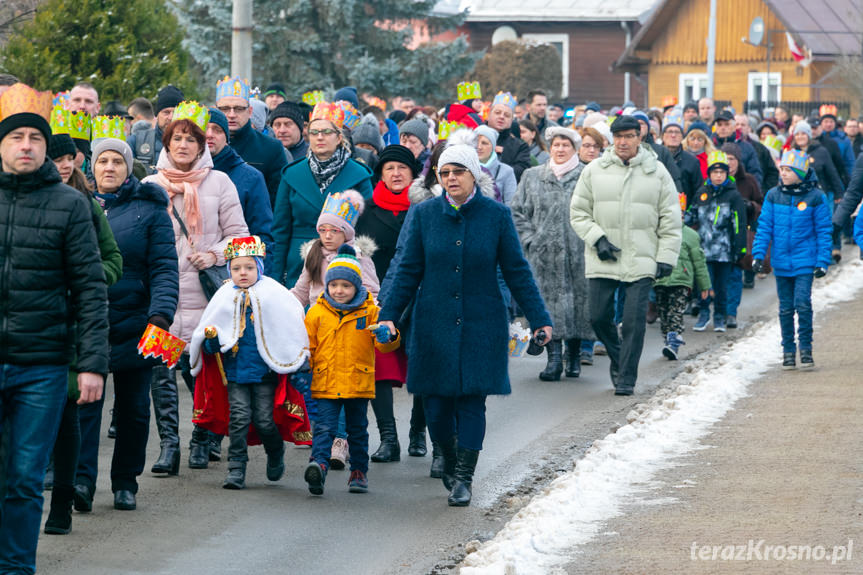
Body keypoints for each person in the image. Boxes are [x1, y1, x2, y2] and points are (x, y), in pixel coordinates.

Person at [378, 142, 552, 506]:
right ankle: (450, 457)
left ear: (474, 175)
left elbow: (517, 270)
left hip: (481, 322)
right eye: (445, 173)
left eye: (458, 172)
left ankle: (464, 478)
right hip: (432, 322)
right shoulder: (424, 215)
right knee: (437, 406)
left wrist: (539, 318)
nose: (451, 178)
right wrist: (389, 316)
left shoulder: (496, 216)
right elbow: (408, 270)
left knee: (472, 402)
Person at [0, 83, 108, 574]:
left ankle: (17, 568)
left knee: (24, 478)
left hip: (42, 366)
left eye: (35, 138)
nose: (26, 145)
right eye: (17, 137)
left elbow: (90, 288)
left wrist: (91, 366)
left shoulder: (69, 205)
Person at [142, 102, 249, 472]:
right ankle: (169, 446)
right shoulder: (150, 186)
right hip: (162, 294)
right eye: (177, 138)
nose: (183, 145)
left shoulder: (220, 182)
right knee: (161, 371)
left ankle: (203, 438)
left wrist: (215, 254)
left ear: (203, 144)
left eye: (191, 138)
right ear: (166, 143)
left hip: (206, 294)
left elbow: (242, 238)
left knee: (202, 371)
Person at [74, 138, 179, 513]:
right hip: (89, 323)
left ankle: (125, 482)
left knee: (134, 408)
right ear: (92, 167)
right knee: (85, 404)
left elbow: (165, 268)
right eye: (102, 160)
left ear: (128, 167)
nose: (109, 168)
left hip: (138, 320)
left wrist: (160, 316)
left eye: (117, 161)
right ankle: (82, 480)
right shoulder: (77, 205)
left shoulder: (150, 211)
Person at [42, 131, 123, 533]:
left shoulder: (84, 206)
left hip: (71, 323)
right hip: (24, 326)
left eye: (65, 157)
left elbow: (111, 261)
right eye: (51, 157)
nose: (59, 164)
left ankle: (63, 498)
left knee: (66, 414)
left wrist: (85, 281)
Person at [570, 115, 682, 396]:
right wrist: (598, 239)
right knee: (598, 317)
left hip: (642, 257)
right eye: (618, 136)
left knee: (633, 321)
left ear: (639, 138)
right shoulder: (594, 170)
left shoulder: (657, 172)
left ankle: (626, 376)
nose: (623, 142)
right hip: (603, 256)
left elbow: (670, 218)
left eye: (629, 136)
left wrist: (666, 256)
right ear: (611, 139)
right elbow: (578, 212)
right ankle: (619, 356)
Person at [190, 236, 311, 489]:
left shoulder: (274, 293)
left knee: (265, 420)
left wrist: (297, 360)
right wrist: (211, 340)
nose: (242, 273)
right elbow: (211, 334)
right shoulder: (223, 296)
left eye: (249, 268)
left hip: (265, 372)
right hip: (235, 373)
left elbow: (289, 327)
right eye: (236, 268)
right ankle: (236, 468)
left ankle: (275, 452)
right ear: (229, 270)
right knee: (239, 418)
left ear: (259, 268)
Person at [303, 245, 401, 495]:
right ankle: (319, 466)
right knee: (324, 428)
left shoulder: (370, 311)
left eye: (346, 286)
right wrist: (303, 368)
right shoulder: (316, 312)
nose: (339, 290)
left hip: (358, 382)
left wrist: (387, 335)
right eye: (334, 285)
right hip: (326, 382)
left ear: (357, 286)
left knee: (357, 430)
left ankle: (359, 471)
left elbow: (385, 345)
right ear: (327, 286)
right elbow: (308, 345)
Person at [354, 146, 423, 463]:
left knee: (422, 368)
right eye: (389, 168)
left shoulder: (426, 207)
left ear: (413, 173)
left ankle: (418, 433)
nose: (396, 173)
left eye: (402, 168)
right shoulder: (365, 211)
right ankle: (388, 438)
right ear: (380, 174)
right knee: (380, 369)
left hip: (420, 296)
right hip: (377, 298)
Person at [512, 126, 592, 381]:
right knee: (548, 304)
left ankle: (575, 355)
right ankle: (554, 357)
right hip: (543, 255)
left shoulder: (586, 175)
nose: (560, 150)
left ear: (574, 149)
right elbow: (517, 212)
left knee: (580, 303)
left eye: (565, 145)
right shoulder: (532, 176)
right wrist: (531, 240)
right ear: (549, 147)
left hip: (579, 252)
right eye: (556, 145)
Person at [271, 102, 373, 288]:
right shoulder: (292, 174)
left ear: (339, 137)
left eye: (326, 132)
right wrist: (275, 277)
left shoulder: (358, 175)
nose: (319, 137)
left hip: (343, 264)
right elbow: (280, 229)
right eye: (314, 132)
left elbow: (367, 227)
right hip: (299, 263)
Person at [752, 150, 831, 369]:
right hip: (781, 262)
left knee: (803, 304)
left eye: (788, 170)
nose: (783, 174)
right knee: (786, 308)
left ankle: (805, 349)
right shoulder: (773, 195)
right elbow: (765, 226)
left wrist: (823, 261)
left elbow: (824, 231)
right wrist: (758, 254)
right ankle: (788, 351)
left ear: (800, 173)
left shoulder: (816, 197)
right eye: (782, 169)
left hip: (805, 260)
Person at [685, 151, 747, 333]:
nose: (718, 176)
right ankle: (704, 313)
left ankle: (719, 316)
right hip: (704, 249)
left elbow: (739, 224)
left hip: (725, 251)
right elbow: (692, 214)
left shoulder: (733, 196)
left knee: (721, 286)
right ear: (709, 174)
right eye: (715, 173)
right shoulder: (702, 193)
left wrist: (740, 247)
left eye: (722, 173)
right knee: (705, 284)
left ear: (727, 174)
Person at [206, 108, 274, 267]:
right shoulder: (183, 174)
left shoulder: (251, 178)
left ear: (227, 138)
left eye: (217, 130)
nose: (209, 134)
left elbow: (262, 235)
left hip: (237, 273)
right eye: (204, 129)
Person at [216, 76, 287, 205]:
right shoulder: (202, 146)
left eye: (238, 109)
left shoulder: (271, 148)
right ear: (216, 110)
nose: (231, 114)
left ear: (249, 111)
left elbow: (278, 201)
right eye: (225, 109)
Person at [721, 143, 763, 326]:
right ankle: (717, 312)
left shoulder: (748, 181)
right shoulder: (713, 180)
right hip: (718, 237)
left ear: (738, 161)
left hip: (740, 234)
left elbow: (761, 205)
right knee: (718, 277)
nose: (729, 163)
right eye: (725, 159)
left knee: (735, 276)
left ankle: (731, 313)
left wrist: (750, 206)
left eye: (732, 159)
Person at [655, 223, 711, 360]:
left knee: (675, 311)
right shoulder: (657, 231)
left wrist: (704, 285)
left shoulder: (690, 235)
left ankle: (673, 342)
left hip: (681, 280)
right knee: (663, 313)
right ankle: (668, 339)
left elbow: (699, 262)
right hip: (660, 279)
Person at [128, 85, 185, 172]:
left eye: (176, 112)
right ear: (157, 115)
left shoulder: (191, 144)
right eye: (166, 112)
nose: (171, 117)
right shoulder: (136, 141)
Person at [486, 92, 531, 181]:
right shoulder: (474, 138)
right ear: (489, 115)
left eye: (507, 115)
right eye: (497, 113)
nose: (501, 117)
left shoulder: (520, 146)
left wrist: (504, 154)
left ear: (511, 121)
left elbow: (521, 172)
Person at [662, 111, 702, 207]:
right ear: (663, 136)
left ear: (682, 136)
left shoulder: (692, 162)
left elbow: (698, 191)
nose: (673, 135)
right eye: (670, 132)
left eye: (677, 132)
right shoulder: (654, 157)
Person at [711, 110, 763, 185]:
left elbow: (755, 173)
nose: (723, 128)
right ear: (715, 127)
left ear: (734, 127)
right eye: (719, 125)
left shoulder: (746, 147)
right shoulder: (709, 145)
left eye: (726, 124)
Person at [475, 125, 517, 205]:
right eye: (475, 142)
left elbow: (511, 204)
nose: (479, 147)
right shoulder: (464, 169)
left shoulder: (506, 171)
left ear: (493, 147)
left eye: (484, 143)